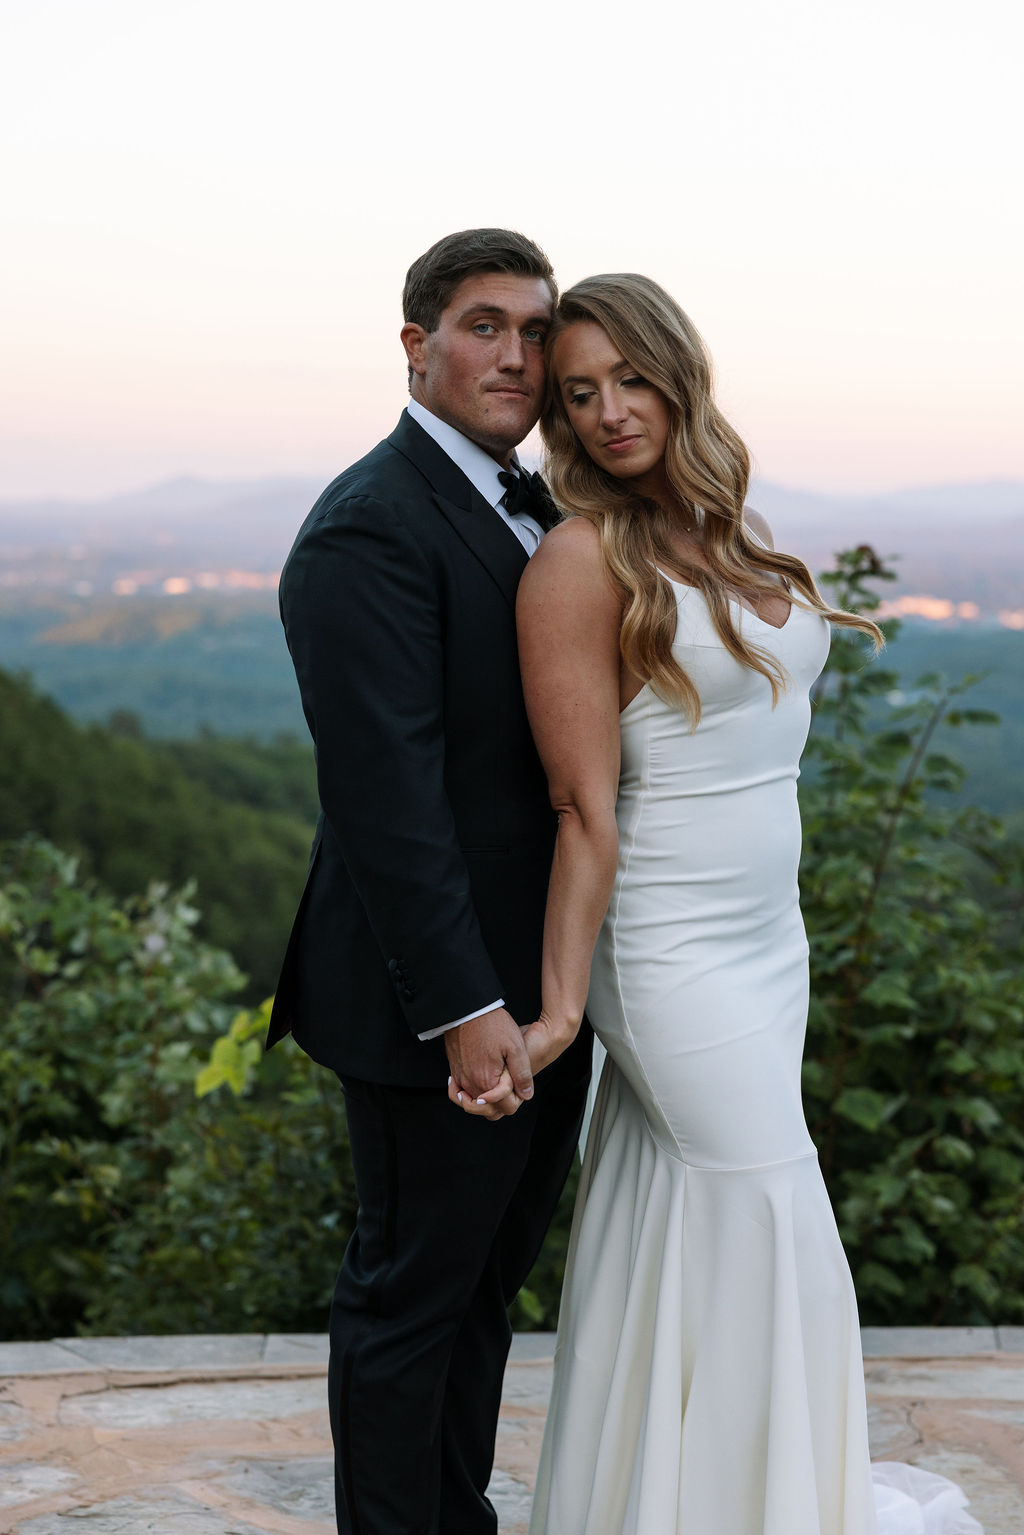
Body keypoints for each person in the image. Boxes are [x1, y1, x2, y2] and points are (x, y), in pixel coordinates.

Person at [451, 274, 982, 1533]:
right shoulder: (578, 563)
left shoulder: (731, 531)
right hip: (669, 944)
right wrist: (565, 1006)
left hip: (766, 938)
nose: (607, 412)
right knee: (761, 1194)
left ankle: (662, 1501)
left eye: (628, 380)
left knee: (676, 1204)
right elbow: (584, 808)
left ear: (678, 375)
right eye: (577, 396)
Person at [268, 229, 591, 1535]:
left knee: (482, 1286)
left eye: (533, 329)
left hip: (542, 991)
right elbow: (390, 805)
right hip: (436, 1007)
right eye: (481, 324)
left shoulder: (536, 507)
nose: (513, 353)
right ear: (415, 344)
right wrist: (465, 1010)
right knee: (409, 1295)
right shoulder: (368, 526)